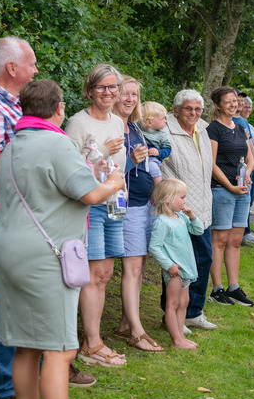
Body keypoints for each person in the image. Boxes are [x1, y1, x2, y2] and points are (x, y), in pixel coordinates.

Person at [0, 79, 122, 399]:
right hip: (44, 256)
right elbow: (90, 193)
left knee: (27, 345)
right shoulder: (57, 143)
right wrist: (113, 182)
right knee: (61, 350)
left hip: (7, 249)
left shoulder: (13, 144)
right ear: (59, 109)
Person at [0, 37, 38, 399]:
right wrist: (25, 152)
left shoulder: (11, 103)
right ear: (11, 68)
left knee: (7, 303)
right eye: (31, 63)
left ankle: (11, 382)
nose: (35, 70)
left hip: (10, 218)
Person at [64, 63, 129, 368]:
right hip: (90, 205)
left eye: (112, 87)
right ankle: (90, 345)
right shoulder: (77, 122)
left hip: (115, 203)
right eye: (101, 87)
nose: (108, 92)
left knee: (104, 274)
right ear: (89, 90)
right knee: (91, 275)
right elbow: (66, 165)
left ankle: (95, 340)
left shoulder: (117, 121)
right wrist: (100, 150)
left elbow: (118, 164)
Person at [111, 77, 163, 353]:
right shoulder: (111, 127)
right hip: (125, 206)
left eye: (135, 94)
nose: (130, 99)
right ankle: (136, 331)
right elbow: (105, 170)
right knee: (131, 268)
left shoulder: (134, 127)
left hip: (144, 205)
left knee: (139, 266)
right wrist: (132, 161)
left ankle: (125, 323)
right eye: (125, 93)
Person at [162, 89, 217, 333]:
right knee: (177, 265)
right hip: (176, 209)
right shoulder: (165, 130)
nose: (193, 113)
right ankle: (171, 316)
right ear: (176, 110)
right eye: (188, 108)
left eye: (197, 109)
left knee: (204, 259)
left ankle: (193, 313)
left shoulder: (202, 129)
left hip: (201, 208)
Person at [206, 87, 254, 307]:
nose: (233, 105)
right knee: (219, 241)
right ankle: (217, 289)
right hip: (221, 190)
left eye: (234, 101)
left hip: (241, 191)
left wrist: (247, 176)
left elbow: (251, 158)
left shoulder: (240, 128)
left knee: (235, 241)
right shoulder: (213, 129)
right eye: (227, 102)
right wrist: (229, 186)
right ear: (218, 105)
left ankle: (233, 288)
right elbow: (211, 164)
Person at [148, 179, 203, 350]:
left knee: (183, 303)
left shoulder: (181, 217)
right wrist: (169, 265)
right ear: (168, 199)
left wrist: (192, 216)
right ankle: (176, 340)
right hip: (174, 272)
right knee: (172, 304)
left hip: (186, 269)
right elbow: (154, 247)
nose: (185, 201)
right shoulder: (162, 222)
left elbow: (198, 230)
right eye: (182, 197)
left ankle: (180, 336)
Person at [234, 93, 254, 246]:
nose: (240, 103)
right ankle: (242, 234)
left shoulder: (243, 121)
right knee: (240, 201)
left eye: (241, 101)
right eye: (237, 100)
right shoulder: (228, 121)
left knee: (247, 201)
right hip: (237, 168)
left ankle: (245, 233)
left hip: (248, 168)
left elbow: (249, 142)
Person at [138, 101, 172, 184]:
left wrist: (158, 152)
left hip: (153, 159)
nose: (165, 121)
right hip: (139, 159)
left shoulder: (162, 135)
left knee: (152, 166)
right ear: (149, 122)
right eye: (162, 119)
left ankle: (158, 185)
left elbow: (168, 150)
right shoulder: (138, 132)